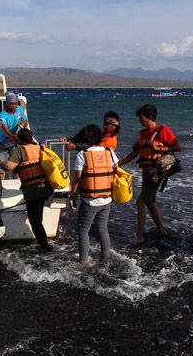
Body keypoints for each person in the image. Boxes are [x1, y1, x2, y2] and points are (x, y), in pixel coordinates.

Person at [117, 104, 181, 243]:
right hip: (146, 173)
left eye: (141, 117)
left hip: (157, 172)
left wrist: (159, 147)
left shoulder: (163, 130)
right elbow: (134, 153)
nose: (140, 120)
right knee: (150, 202)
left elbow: (177, 147)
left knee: (141, 202)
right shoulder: (143, 134)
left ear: (149, 117)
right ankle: (161, 229)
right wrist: (117, 165)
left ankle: (139, 236)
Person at [0, 128, 53, 252]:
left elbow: (9, 167)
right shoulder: (40, 147)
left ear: (19, 139)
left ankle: (45, 247)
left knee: (35, 221)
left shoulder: (19, 150)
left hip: (32, 191)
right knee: (38, 216)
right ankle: (44, 244)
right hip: (45, 188)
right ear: (31, 138)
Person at [69, 124, 118, 265]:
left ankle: (83, 261)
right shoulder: (109, 151)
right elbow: (115, 168)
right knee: (103, 228)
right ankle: (105, 258)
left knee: (83, 230)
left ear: (86, 138)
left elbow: (77, 179)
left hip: (89, 201)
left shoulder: (82, 155)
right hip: (107, 199)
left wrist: (72, 196)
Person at [0, 91, 29, 162]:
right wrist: (15, 138)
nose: (14, 105)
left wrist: (22, 124)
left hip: (13, 143)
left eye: (16, 103)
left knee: (15, 164)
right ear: (7, 104)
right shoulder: (2, 115)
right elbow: (6, 131)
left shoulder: (19, 109)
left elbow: (26, 121)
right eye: (11, 104)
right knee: (3, 165)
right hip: (2, 144)